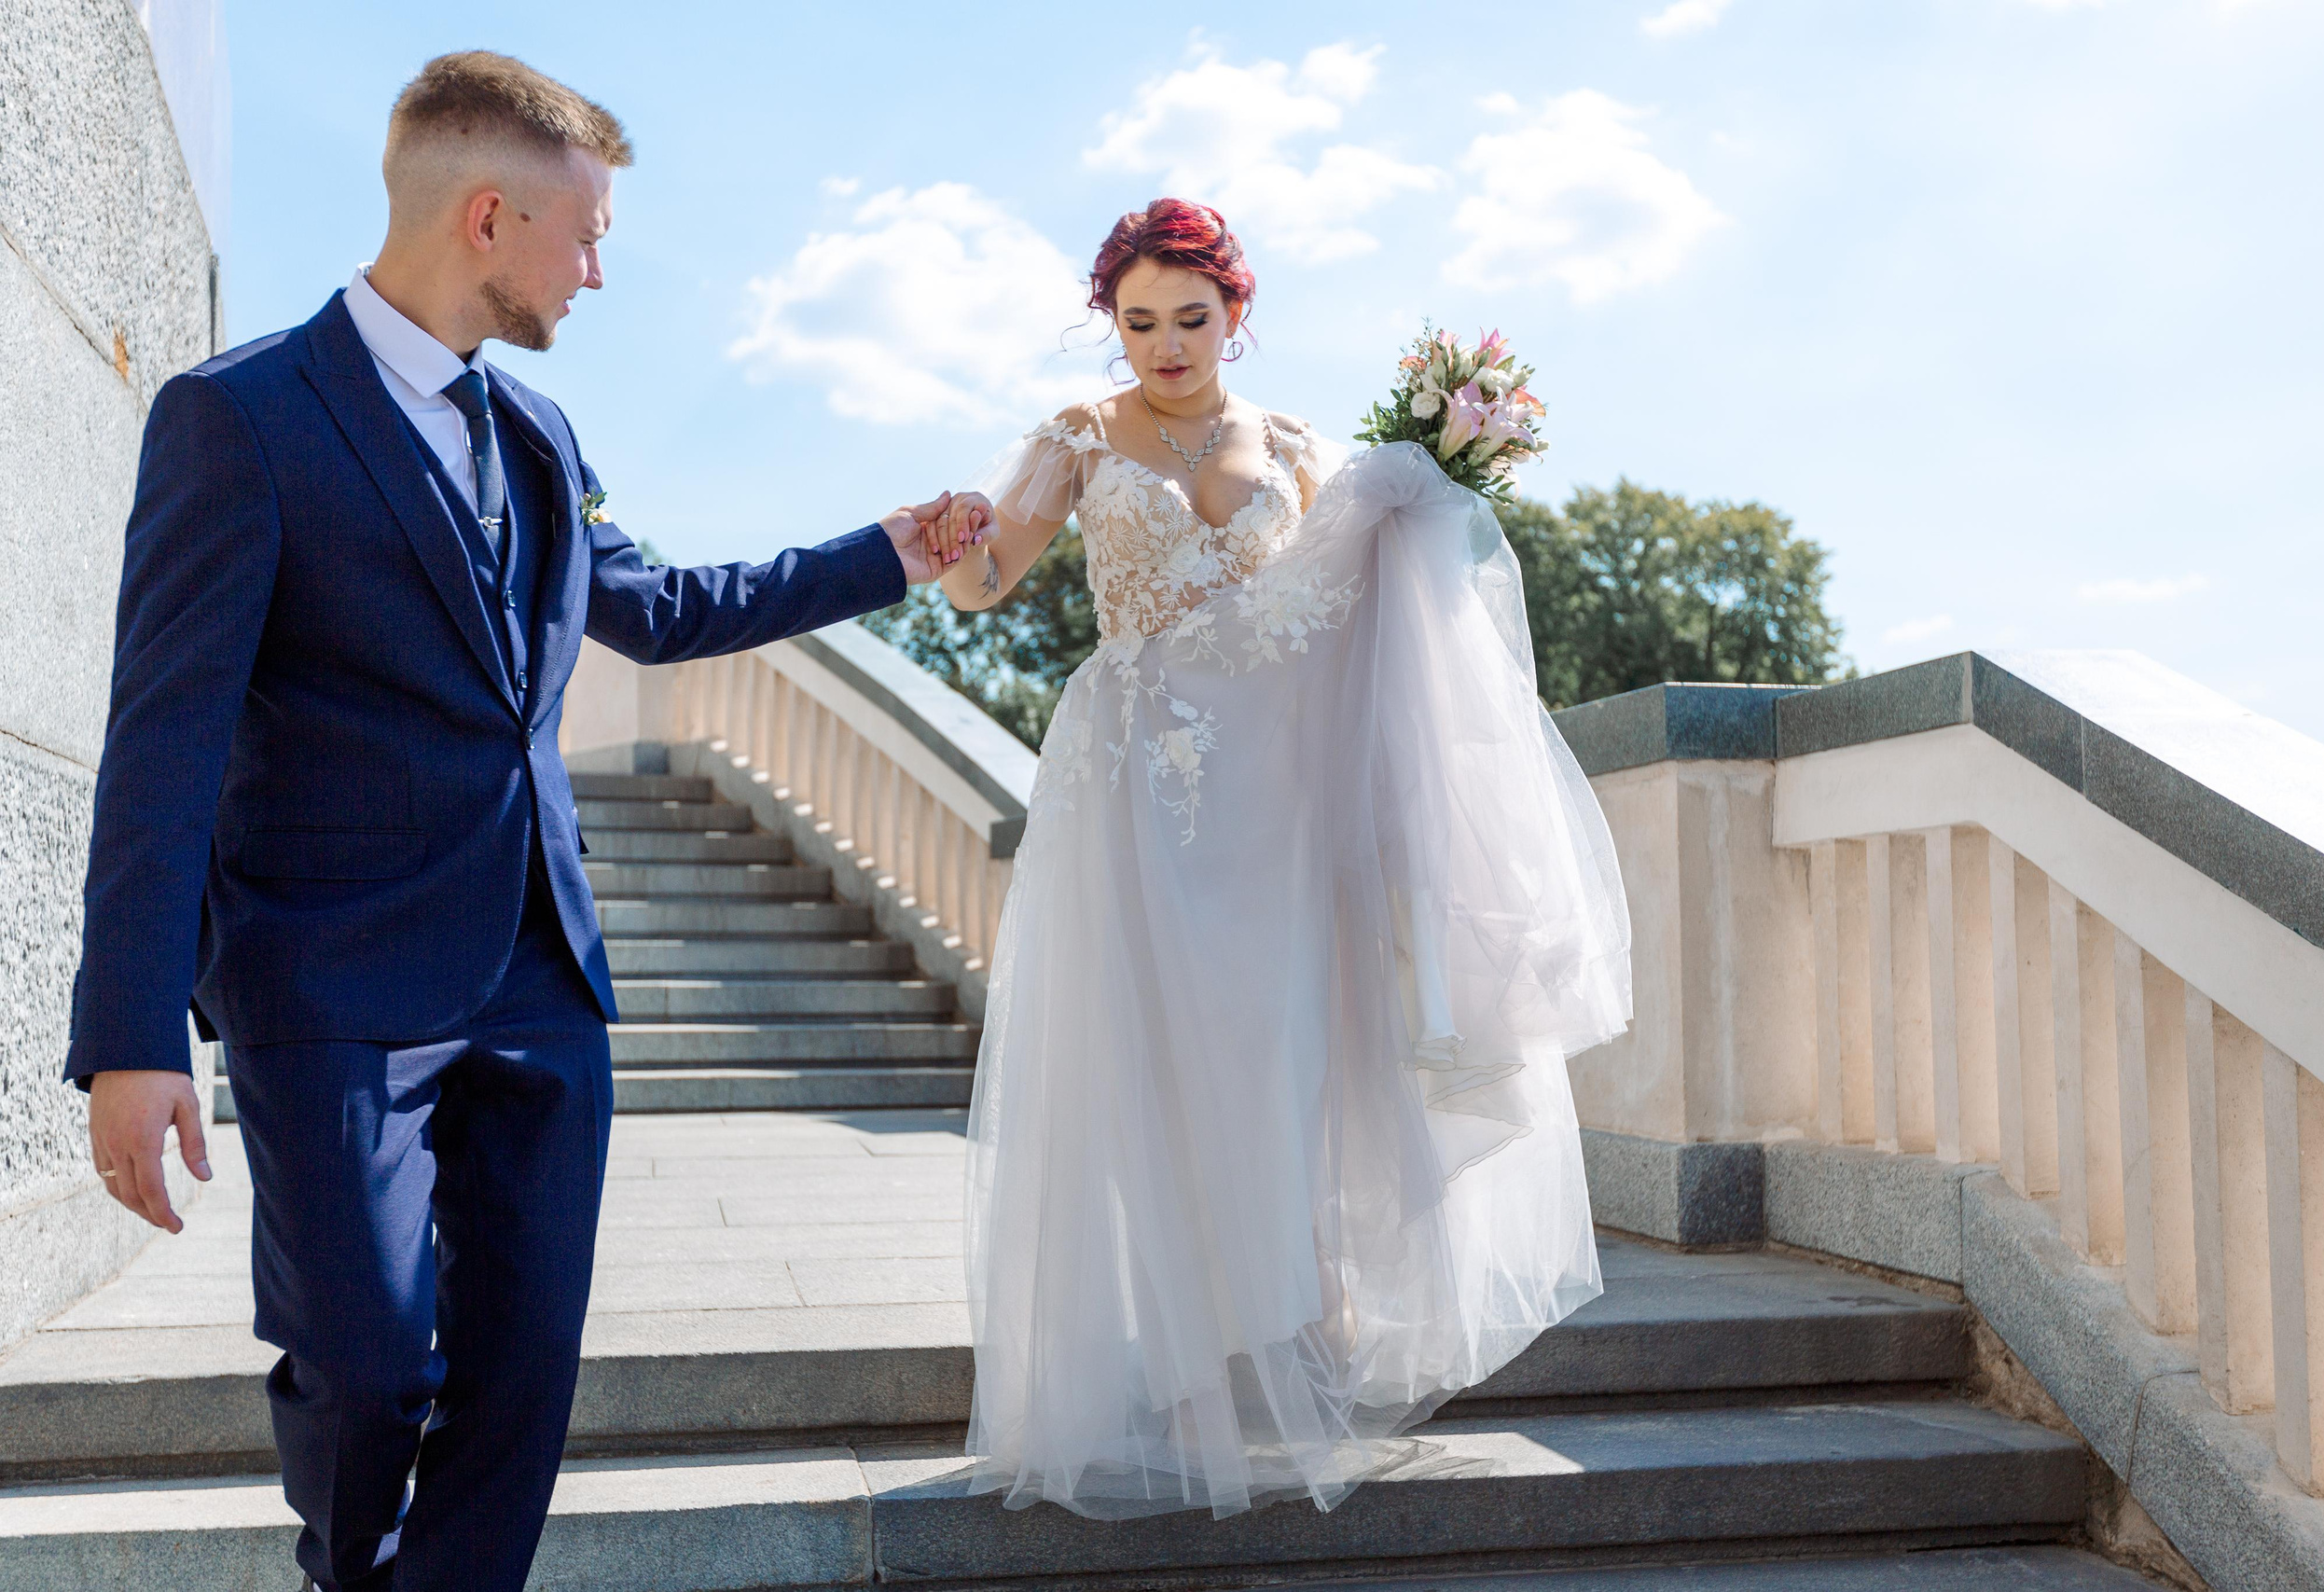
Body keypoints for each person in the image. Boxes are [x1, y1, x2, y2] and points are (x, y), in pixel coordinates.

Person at [67, 50, 959, 1592]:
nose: (602, 270)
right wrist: (134, 1031)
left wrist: (885, 552)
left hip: (543, 979)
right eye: (588, 233)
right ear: (489, 216)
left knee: (525, 1373)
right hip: (330, 984)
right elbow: (163, 740)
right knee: (360, 1367)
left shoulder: (538, 434)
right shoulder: (240, 419)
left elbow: (661, 610)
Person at [922, 199, 1635, 1519]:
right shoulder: (1077, 437)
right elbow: (987, 586)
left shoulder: (1301, 448)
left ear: (1234, 315)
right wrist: (961, 553)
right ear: (1112, 321)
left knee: (1294, 1039)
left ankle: (1310, 1309)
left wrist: (1422, 501)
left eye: (1190, 318)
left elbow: (1343, 613)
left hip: (1276, 789)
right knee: (1156, 1049)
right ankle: (1191, 1346)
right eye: (1138, 321)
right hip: (1139, 774)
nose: (1165, 345)